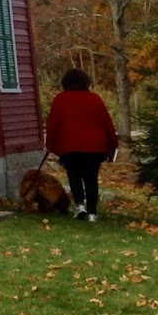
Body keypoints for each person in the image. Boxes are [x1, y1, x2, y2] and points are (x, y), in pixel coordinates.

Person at [44, 68, 119, 222]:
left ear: (65, 83)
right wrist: (113, 143)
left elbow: (53, 124)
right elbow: (107, 123)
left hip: (69, 147)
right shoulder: (95, 99)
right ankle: (92, 213)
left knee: (74, 176)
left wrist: (50, 144)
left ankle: (80, 206)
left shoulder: (60, 99)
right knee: (91, 178)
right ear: (85, 82)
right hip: (94, 148)